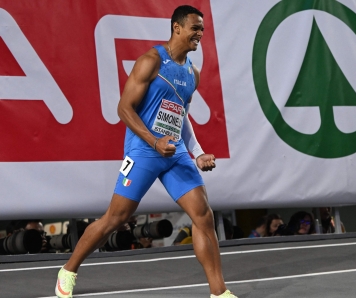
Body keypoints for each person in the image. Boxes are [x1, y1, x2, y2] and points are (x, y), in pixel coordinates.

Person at [54, 5, 236, 298]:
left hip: (174, 153)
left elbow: (181, 117)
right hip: (144, 151)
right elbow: (124, 109)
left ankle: (219, 291)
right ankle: (69, 269)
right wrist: (154, 142)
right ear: (177, 27)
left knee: (203, 216)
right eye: (195, 28)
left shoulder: (193, 73)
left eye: (202, 29)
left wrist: (197, 152)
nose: (200, 34)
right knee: (115, 218)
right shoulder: (150, 61)